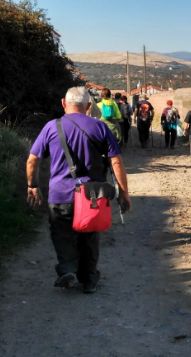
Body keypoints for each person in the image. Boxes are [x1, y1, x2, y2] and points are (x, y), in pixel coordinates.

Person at [26, 87, 132, 293]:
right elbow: (116, 162)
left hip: (60, 195)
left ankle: (66, 269)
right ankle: (89, 279)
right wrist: (123, 193)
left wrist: (33, 186)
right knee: (90, 237)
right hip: (92, 196)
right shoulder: (100, 128)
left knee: (61, 233)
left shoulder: (51, 127)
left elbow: (32, 161)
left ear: (63, 103)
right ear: (89, 106)